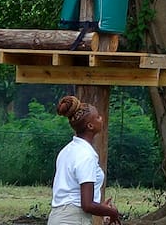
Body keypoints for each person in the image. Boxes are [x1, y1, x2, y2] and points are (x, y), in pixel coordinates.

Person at [50, 95, 122, 225]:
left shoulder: (67, 151)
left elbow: (73, 193)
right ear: (90, 125)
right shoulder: (86, 155)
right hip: (73, 219)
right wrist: (112, 212)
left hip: (57, 217)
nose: (102, 119)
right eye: (98, 117)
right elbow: (87, 205)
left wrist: (101, 208)